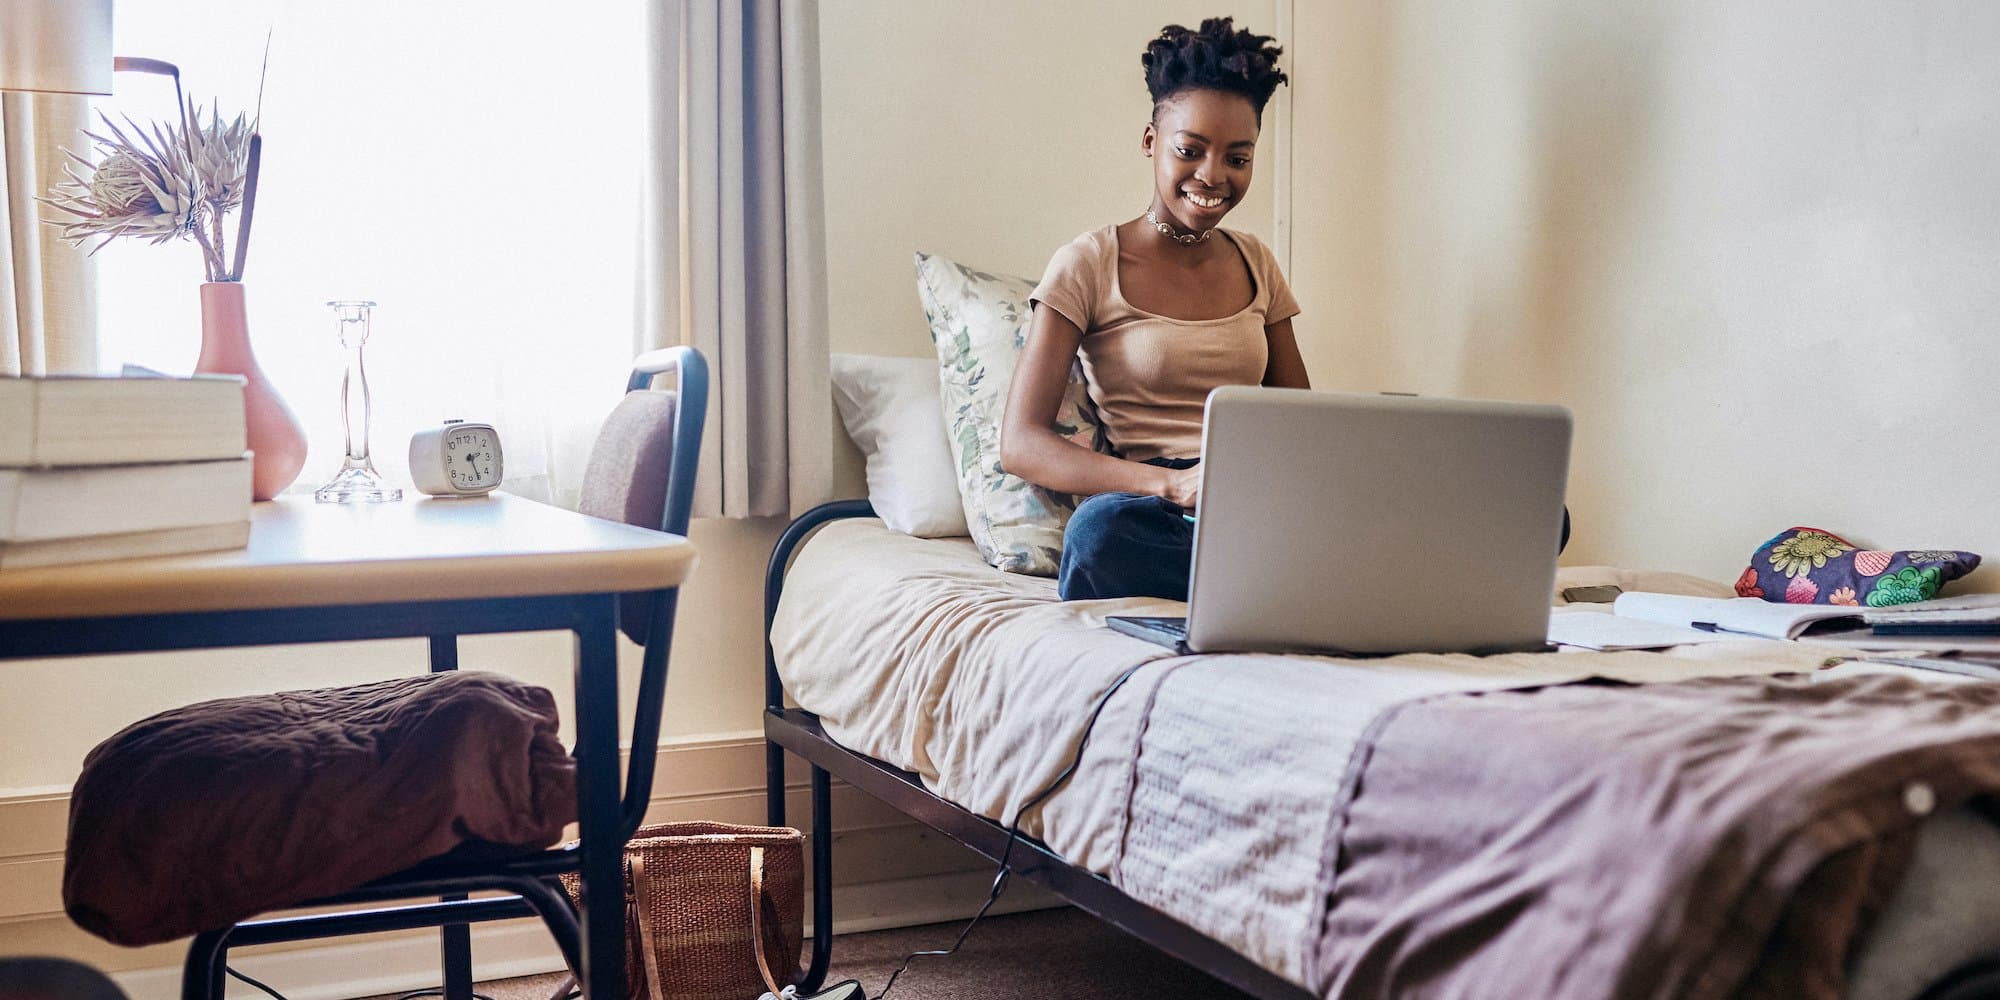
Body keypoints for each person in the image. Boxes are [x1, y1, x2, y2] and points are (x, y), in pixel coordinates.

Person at [999, 17, 1304, 601]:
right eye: (1190, 151)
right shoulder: (1087, 262)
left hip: (1251, 501)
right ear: (1150, 141)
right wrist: (1171, 486)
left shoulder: (1257, 262)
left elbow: (1301, 423)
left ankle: (1272, 580)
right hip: (1151, 510)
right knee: (1098, 533)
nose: (1213, 176)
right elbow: (1022, 442)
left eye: (1238, 159)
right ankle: (1275, 588)